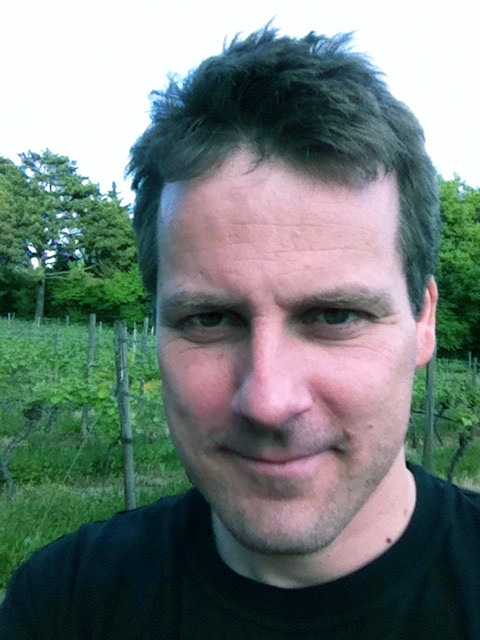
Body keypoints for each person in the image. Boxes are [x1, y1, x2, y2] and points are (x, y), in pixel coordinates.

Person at [1, 25, 479, 640]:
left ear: (423, 320)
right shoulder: (62, 607)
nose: (267, 401)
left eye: (335, 316)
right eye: (209, 319)